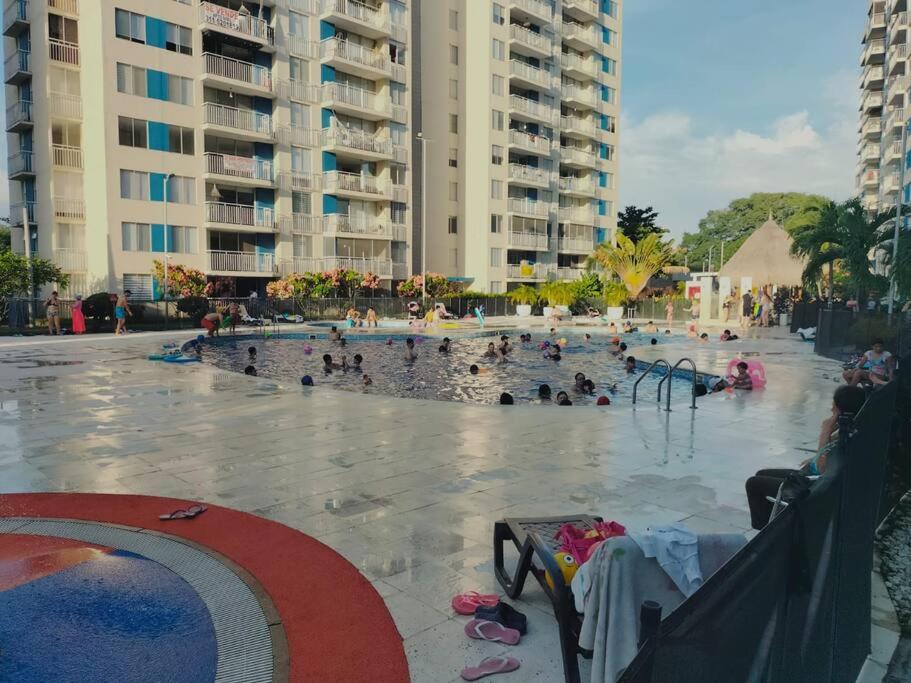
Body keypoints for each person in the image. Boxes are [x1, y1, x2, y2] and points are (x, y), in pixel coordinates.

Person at [745, 385, 866, 529]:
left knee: (753, 483)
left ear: (841, 411)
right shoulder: (851, 429)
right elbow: (825, 453)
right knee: (761, 473)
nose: (831, 410)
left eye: (834, 408)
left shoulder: (847, 438)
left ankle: (764, 529)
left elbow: (822, 468)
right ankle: (774, 523)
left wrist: (825, 431)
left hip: (812, 485)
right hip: (809, 475)